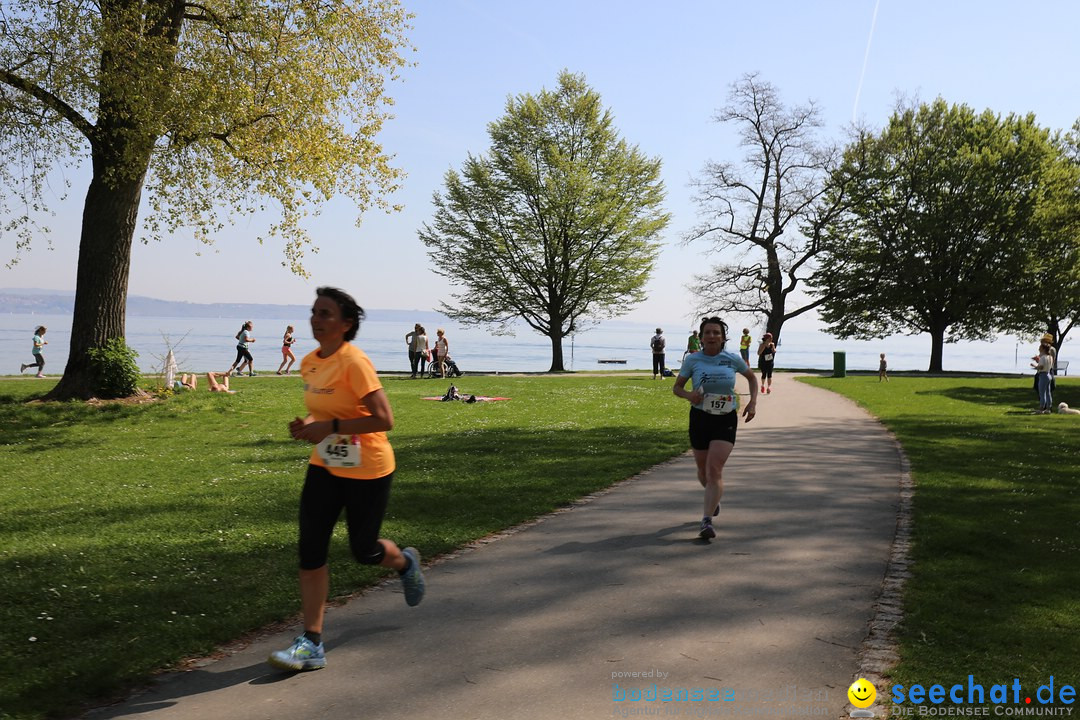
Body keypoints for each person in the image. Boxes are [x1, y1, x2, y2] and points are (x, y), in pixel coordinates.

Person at [269, 286, 424, 672]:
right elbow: (325, 412)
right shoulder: (308, 362)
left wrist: (330, 425)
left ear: (346, 324)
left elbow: (384, 419)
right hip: (324, 465)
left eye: (325, 314)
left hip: (367, 468)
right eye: (314, 312)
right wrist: (307, 426)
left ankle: (404, 563)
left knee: (365, 551)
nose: (316, 320)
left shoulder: (355, 362)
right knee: (311, 550)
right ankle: (312, 642)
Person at [673, 316, 759, 540]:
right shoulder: (693, 360)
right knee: (703, 472)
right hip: (700, 418)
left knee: (714, 470)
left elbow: (752, 378)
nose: (712, 336)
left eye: (716, 333)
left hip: (725, 418)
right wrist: (689, 395)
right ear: (701, 338)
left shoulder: (731, 358)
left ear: (723, 338)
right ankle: (714, 499)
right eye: (708, 333)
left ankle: (706, 521)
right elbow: (677, 388)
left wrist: (753, 402)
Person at [1032, 342, 1054, 414]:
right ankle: (1048, 408)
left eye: (1040, 347)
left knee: (1042, 393)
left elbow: (1041, 367)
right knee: (1048, 393)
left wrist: (1035, 366)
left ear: (1043, 349)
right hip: (1048, 374)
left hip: (1043, 375)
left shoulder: (1043, 357)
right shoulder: (1050, 357)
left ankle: (1041, 409)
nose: (1039, 349)